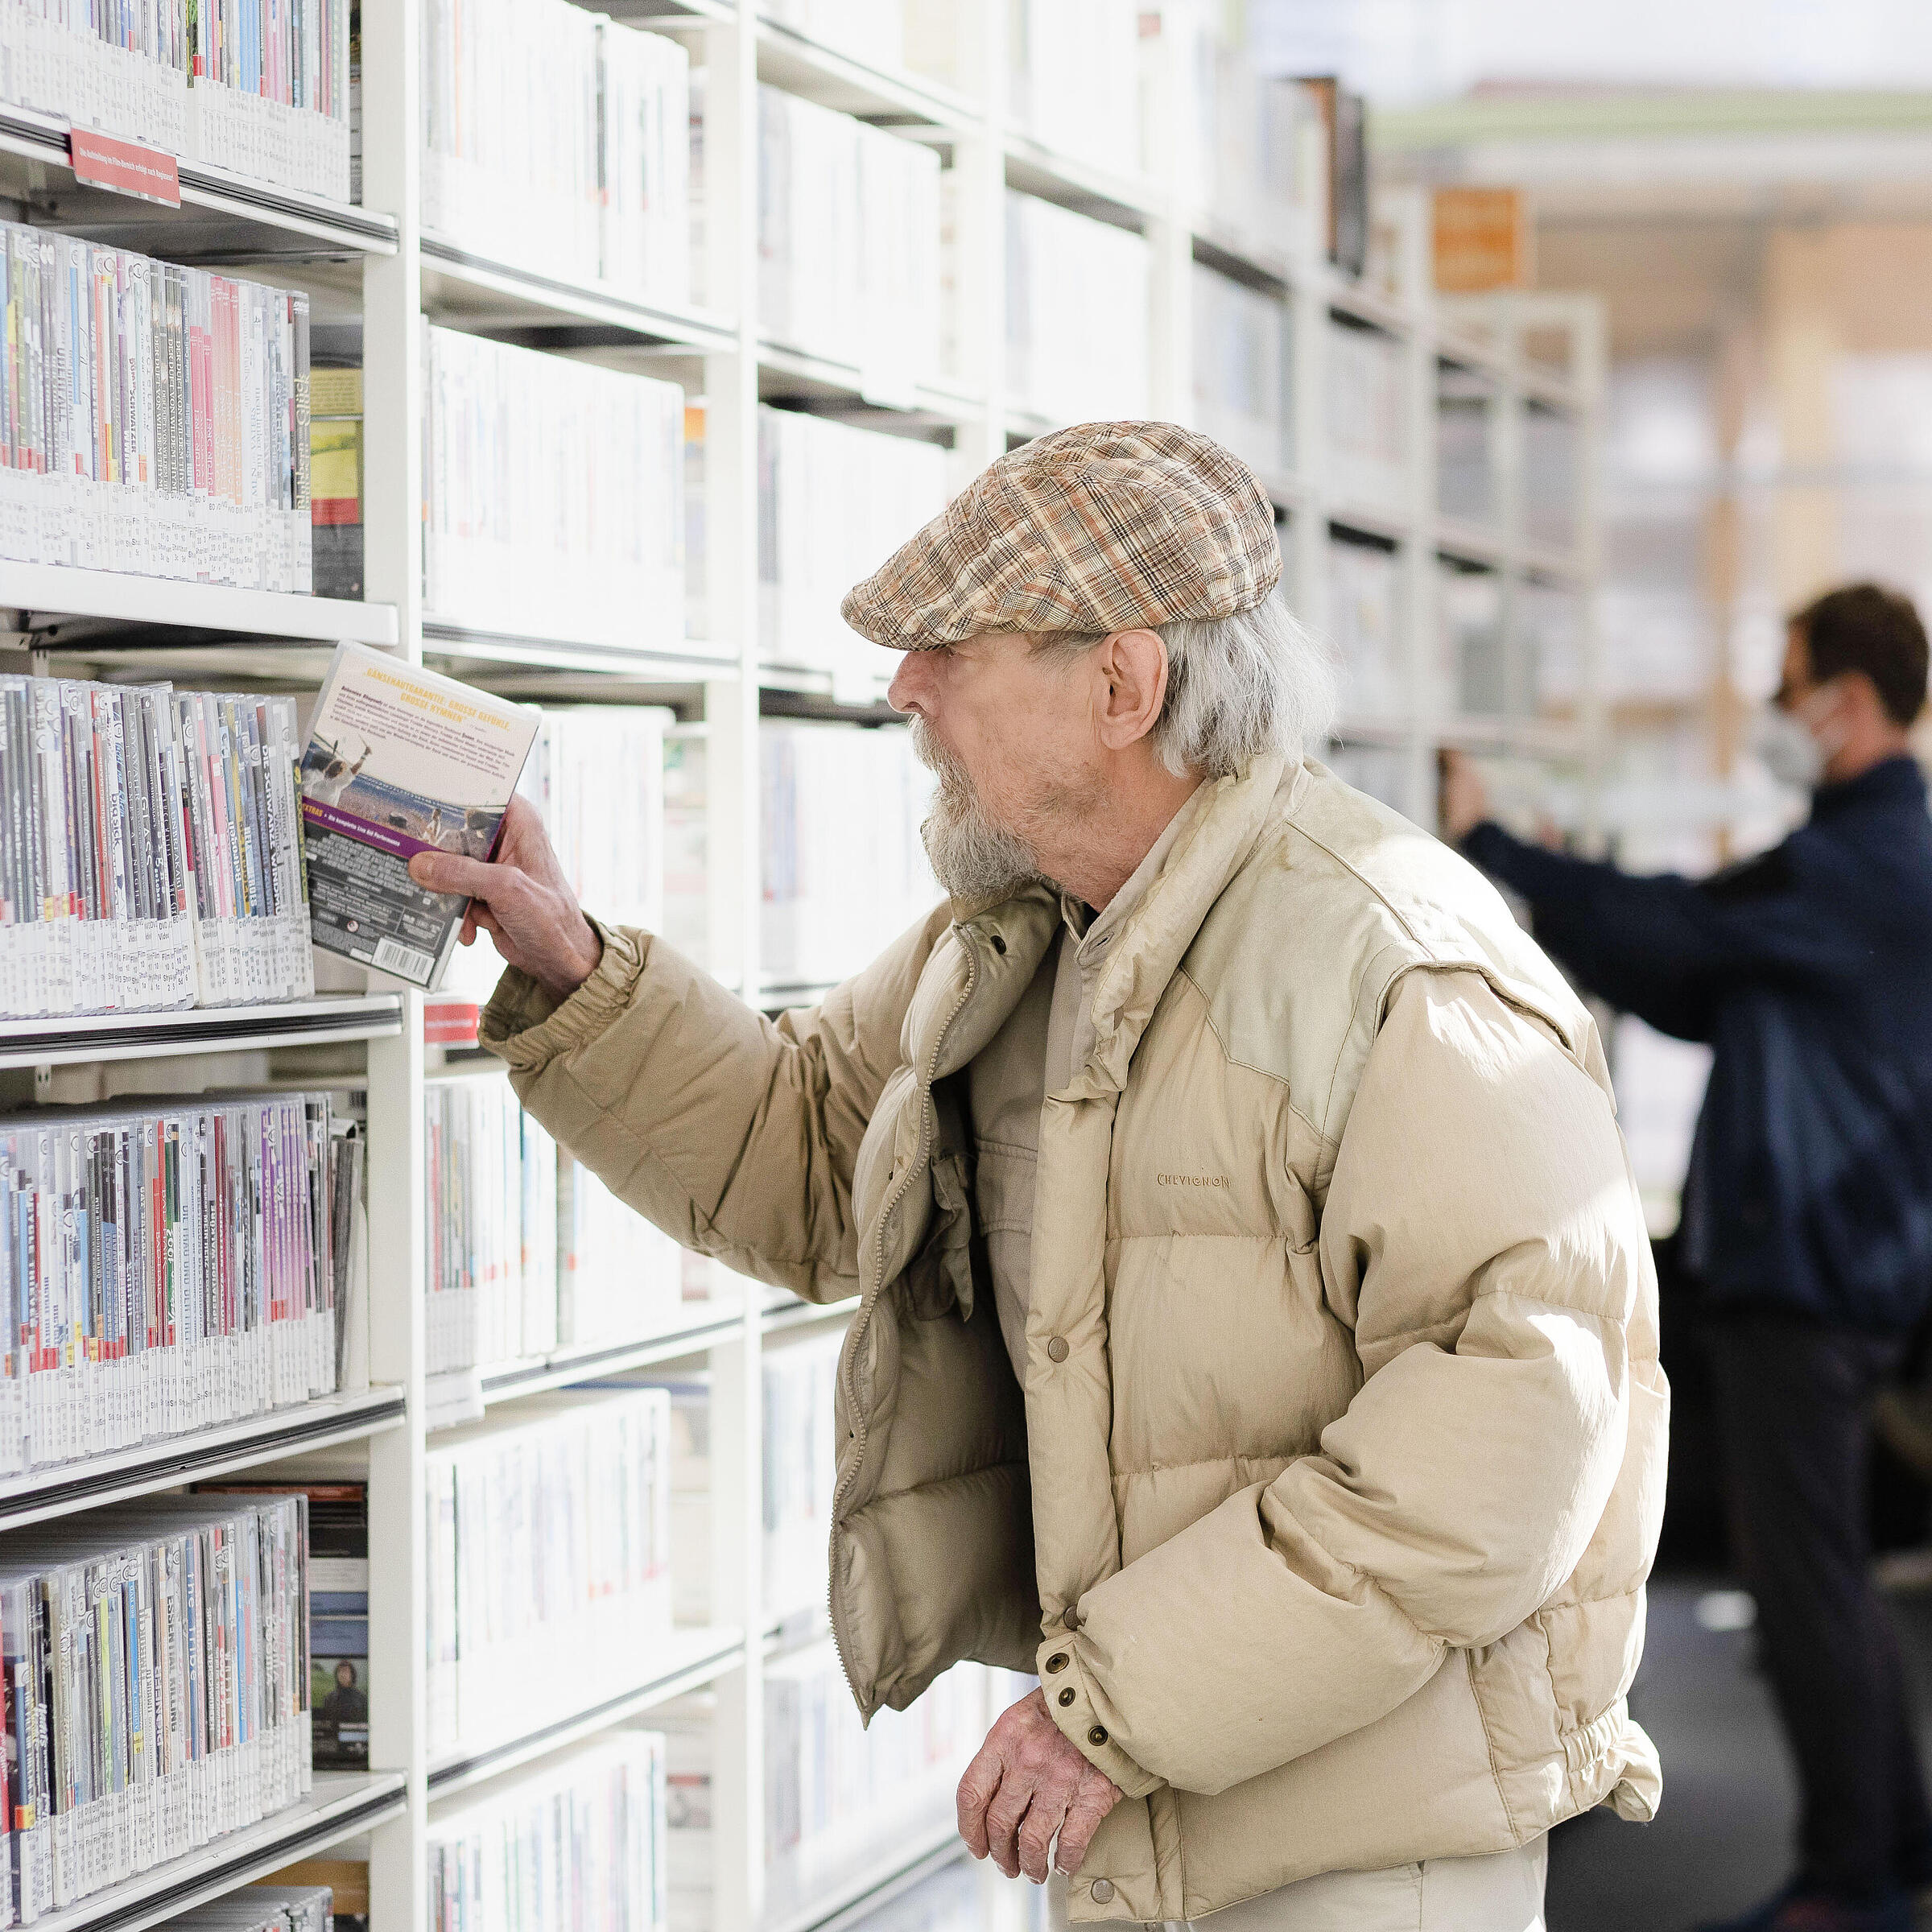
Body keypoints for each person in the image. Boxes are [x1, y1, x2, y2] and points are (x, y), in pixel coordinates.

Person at [412, 423, 1665, 1930]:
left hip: (1360, 1857)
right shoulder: (1016, 932)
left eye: (953, 651)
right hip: (1148, 1821)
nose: (904, 693)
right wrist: (578, 970)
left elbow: (1506, 1437)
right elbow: (808, 1160)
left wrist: (1118, 1702)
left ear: (1123, 688)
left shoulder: (1396, 962)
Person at [1443, 581, 1932, 1932]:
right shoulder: (1848, 857)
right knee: (1824, 1576)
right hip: (1835, 1269)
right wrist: (1544, 879)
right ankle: (1891, 1845)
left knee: (1806, 1584)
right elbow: (1691, 972)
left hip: (1814, 1279)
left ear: (1843, 698)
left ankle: (1856, 1883)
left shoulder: (1862, 864)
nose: (1774, 716)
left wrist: (1492, 842)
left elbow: (1690, 930)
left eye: (1786, 687)